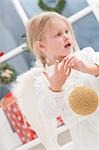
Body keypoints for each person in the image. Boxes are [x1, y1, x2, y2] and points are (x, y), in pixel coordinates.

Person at [13, 11, 99, 150]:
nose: (66, 36)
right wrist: (55, 87)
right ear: (41, 46)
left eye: (66, 31)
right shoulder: (44, 79)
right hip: (86, 142)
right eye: (58, 34)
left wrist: (88, 68)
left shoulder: (86, 57)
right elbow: (48, 112)